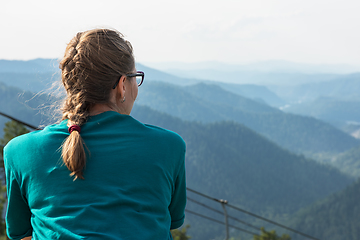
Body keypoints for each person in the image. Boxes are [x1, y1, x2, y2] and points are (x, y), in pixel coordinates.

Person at [4, 29, 186, 240]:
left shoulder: (19, 152)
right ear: (121, 86)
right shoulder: (169, 146)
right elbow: (169, 220)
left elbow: (22, 234)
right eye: (135, 78)